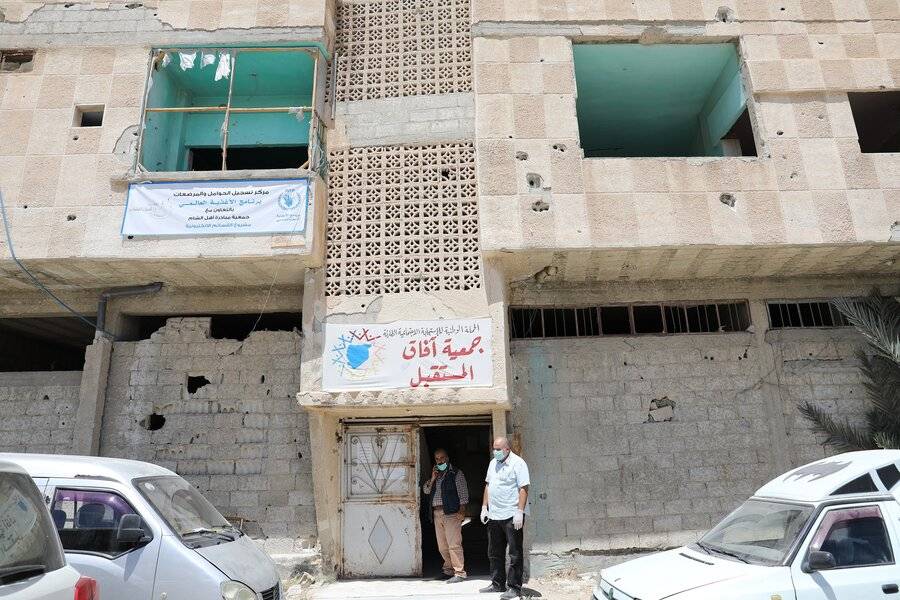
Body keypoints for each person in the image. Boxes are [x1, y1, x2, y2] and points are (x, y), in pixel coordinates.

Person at [479, 436, 530, 600]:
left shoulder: (518, 463)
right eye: (494, 448)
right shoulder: (493, 463)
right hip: (494, 515)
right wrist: (484, 507)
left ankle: (514, 587)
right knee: (494, 552)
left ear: (507, 449)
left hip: (511, 515)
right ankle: (497, 584)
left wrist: (519, 512)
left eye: (498, 449)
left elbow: (523, 488)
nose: (495, 452)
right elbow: (488, 484)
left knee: (515, 553)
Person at [422, 447, 469, 583]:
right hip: (437, 514)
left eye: (442, 458)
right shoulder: (436, 475)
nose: (440, 461)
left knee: (454, 544)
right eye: (437, 459)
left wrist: (462, 511)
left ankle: (459, 572)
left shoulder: (456, 473)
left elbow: (463, 493)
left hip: (451, 513)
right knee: (442, 546)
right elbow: (425, 490)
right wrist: (432, 478)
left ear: (447, 458)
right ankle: (448, 571)